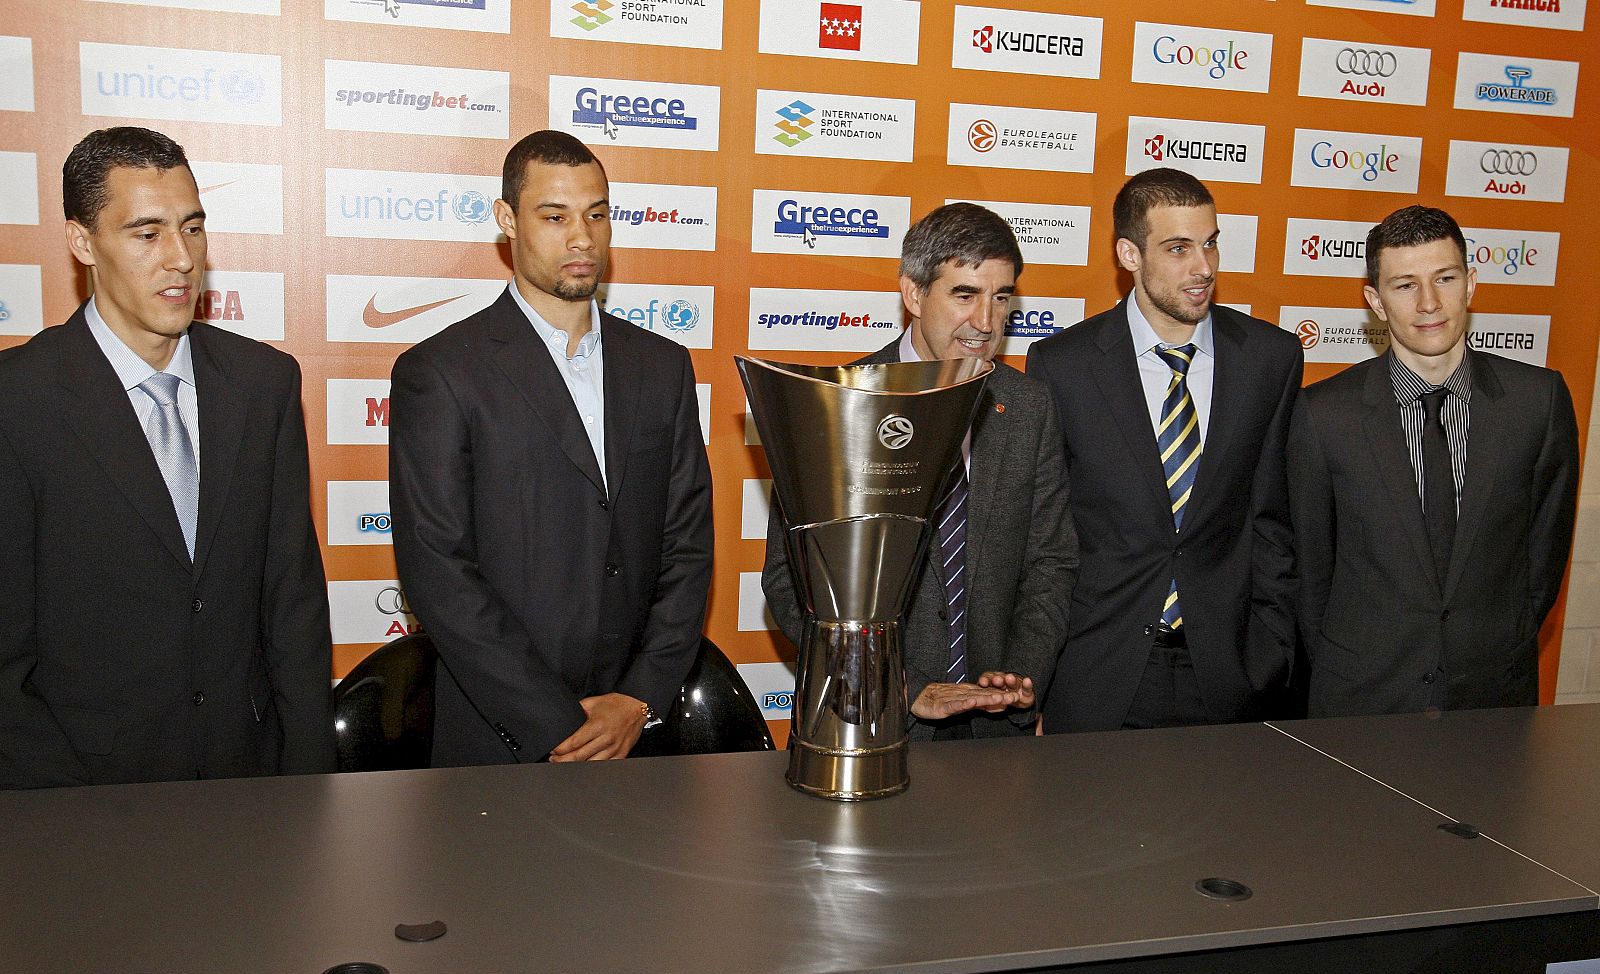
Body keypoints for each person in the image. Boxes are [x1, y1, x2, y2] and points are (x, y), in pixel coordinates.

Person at [0, 127, 333, 788]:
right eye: (147, 233)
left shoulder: (264, 383)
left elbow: (292, 603)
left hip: (251, 790)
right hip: (81, 806)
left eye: (193, 227)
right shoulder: (19, 400)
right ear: (81, 242)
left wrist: (310, 783)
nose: (181, 257)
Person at [390, 130, 713, 766]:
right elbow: (438, 569)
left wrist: (639, 700)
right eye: (555, 216)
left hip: (638, 738)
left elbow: (687, 545)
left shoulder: (662, 367)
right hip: (500, 739)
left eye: (597, 214)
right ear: (507, 220)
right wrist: (557, 724)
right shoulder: (443, 371)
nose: (582, 238)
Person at [763, 202, 1078, 739]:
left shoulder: (1028, 407)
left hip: (993, 728)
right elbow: (792, 585)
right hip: (864, 720)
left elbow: (1050, 560)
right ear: (913, 293)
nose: (986, 322)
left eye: (1001, 298)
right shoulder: (839, 403)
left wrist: (1018, 676)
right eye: (964, 295)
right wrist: (901, 687)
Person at [1026, 168, 1302, 732]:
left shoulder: (1269, 359)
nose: (1203, 267)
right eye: (1178, 249)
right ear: (1129, 254)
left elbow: (1273, 521)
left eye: (1210, 243)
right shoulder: (1063, 365)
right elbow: (1047, 530)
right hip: (1101, 672)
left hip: (1231, 673)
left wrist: (1271, 651)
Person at [1288, 205, 1578, 716]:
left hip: (1493, 695)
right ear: (1375, 302)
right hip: (1362, 698)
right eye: (1404, 286)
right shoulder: (1323, 415)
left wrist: (1489, 643)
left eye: (1444, 278)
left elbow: (1544, 557)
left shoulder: (1539, 401)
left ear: (1470, 283)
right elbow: (1311, 573)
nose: (1428, 303)